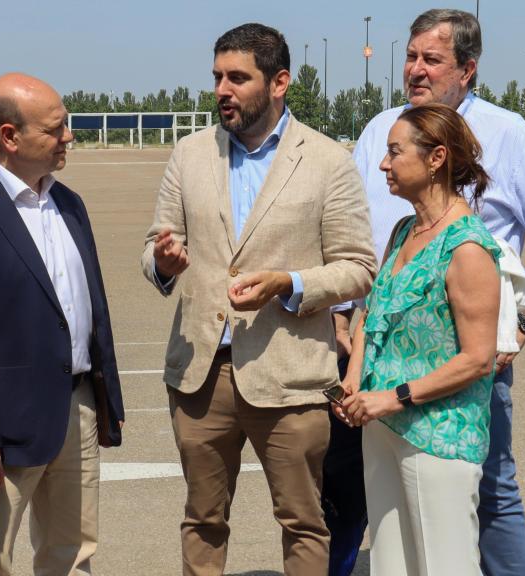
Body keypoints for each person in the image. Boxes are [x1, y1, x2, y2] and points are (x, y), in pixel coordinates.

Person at [340, 8, 525, 576]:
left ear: (467, 69)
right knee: (388, 523)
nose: (416, 70)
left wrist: (523, 319)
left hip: (460, 363)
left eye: (432, 59)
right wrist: (348, 329)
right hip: (379, 364)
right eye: (411, 56)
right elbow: (355, 228)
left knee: (489, 493)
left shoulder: (507, 135)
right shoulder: (383, 127)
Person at [141, 23, 376, 576]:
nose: (222, 89)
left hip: (289, 375)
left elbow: (359, 267)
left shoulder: (326, 160)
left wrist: (289, 285)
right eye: (217, 77)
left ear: (279, 83)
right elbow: (157, 244)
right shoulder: (189, 154)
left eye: (238, 78)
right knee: (202, 519)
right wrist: (163, 264)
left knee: (303, 521)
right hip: (201, 375)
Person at [0, 72, 125, 576]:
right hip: (5, 425)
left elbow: (91, 310)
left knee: (74, 554)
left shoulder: (70, 204)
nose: (69, 137)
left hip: (76, 409)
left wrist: (106, 402)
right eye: (55, 128)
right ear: (10, 137)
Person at [333, 103, 501, 575]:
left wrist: (394, 397)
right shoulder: (405, 231)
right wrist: (353, 375)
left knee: (443, 565)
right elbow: (373, 309)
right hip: (382, 427)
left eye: (393, 152)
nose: (383, 164)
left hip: (438, 437)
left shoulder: (467, 249)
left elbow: (476, 358)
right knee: (391, 564)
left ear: (436, 158)